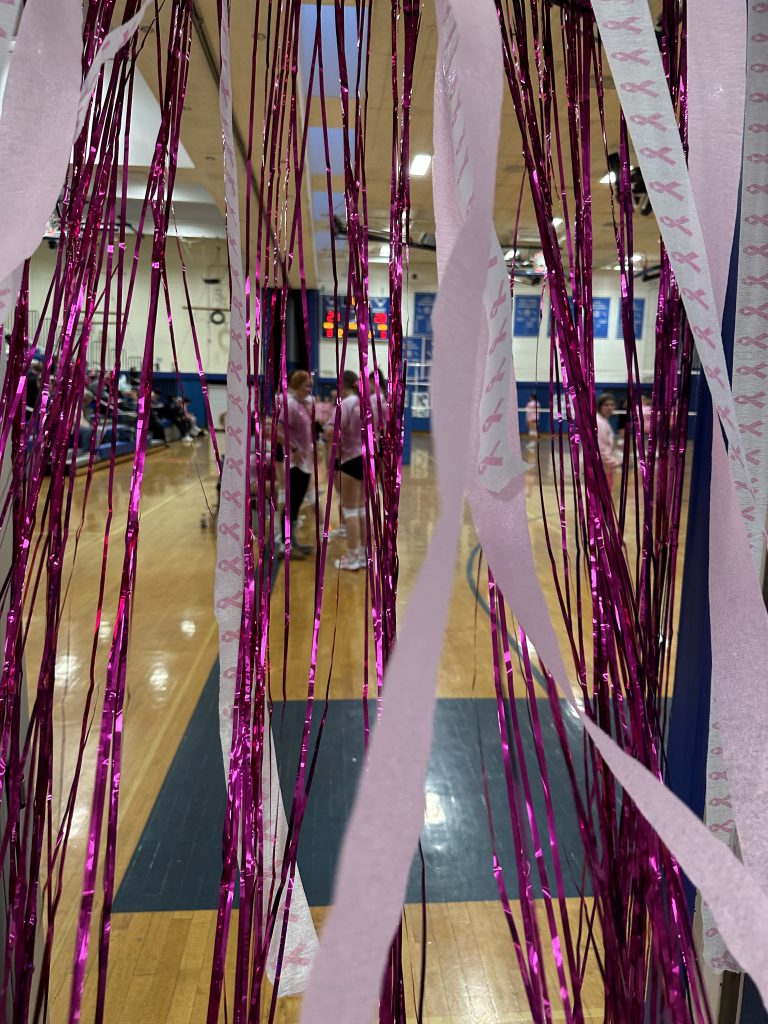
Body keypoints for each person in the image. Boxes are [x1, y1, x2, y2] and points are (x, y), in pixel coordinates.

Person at [326, 369, 365, 571]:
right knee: (361, 510)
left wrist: (336, 455)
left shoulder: (345, 404)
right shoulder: (363, 402)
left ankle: (352, 557)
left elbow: (332, 431)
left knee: (350, 511)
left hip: (349, 459)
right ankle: (366, 554)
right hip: (366, 459)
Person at [278, 370, 314, 558]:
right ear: (297, 385)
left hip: (305, 462)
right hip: (294, 463)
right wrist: (293, 448)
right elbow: (277, 430)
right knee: (291, 504)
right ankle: (285, 545)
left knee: (297, 503)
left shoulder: (303, 405)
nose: (310, 388)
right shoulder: (290, 405)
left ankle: (293, 542)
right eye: (307, 385)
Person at [596, 392, 620, 490]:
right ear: (600, 406)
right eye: (606, 405)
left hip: (604, 467)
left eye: (612, 405)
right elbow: (601, 450)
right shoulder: (599, 422)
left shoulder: (603, 421)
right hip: (599, 468)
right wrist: (616, 462)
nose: (609, 408)